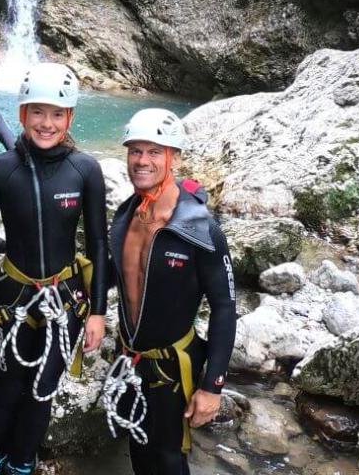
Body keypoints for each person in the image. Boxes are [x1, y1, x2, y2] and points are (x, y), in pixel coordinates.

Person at [0, 62, 109, 475]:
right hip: (13, 294)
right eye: (38, 112)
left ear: (70, 117)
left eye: (57, 114)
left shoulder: (86, 171)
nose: (47, 124)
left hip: (63, 300)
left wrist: (97, 311)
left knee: (43, 390)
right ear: (22, 114)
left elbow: (98, 243)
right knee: (8, 386)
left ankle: (22, 464)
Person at [103, 108, 236, 475]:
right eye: (135, 151)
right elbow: (119, 275)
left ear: (173, 157)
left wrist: (213, 386)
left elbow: (224, 307)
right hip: (129, 357)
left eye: (154, 152)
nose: (142, 161)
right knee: (138, 447)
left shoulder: (200, 228)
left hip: (173, 367)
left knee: (168, 458)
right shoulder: (126, 213)